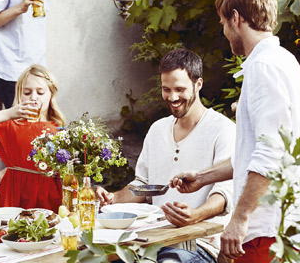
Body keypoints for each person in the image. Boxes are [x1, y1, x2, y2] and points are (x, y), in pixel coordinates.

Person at [170, 0, 300, 262]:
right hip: (291, 228)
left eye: (223, 23)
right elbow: (257, 151)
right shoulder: (285, 62)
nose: (225, 32)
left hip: (270, 232)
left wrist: (239, 219)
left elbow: (271, 154)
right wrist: (203, 177)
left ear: (236, 17)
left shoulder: (262, 68)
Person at [96, 49, 235, 263]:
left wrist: (196, 214)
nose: (172, 97)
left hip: (198, 244)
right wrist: (114, 198)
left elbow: (224, 194)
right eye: (166, 89)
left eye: (180, 89)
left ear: (198, 84)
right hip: (151, 240)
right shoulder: (158, 129)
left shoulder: (223, 129)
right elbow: (144, 185)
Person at [0, 64, 66, 211]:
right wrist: (8, 113)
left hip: (49, 196)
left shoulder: (59, 130)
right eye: (27, 92)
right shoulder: (12, 125)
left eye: (40, 92)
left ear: (51, 95)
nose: (33, 97)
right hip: (15, 195)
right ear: (19, 94)